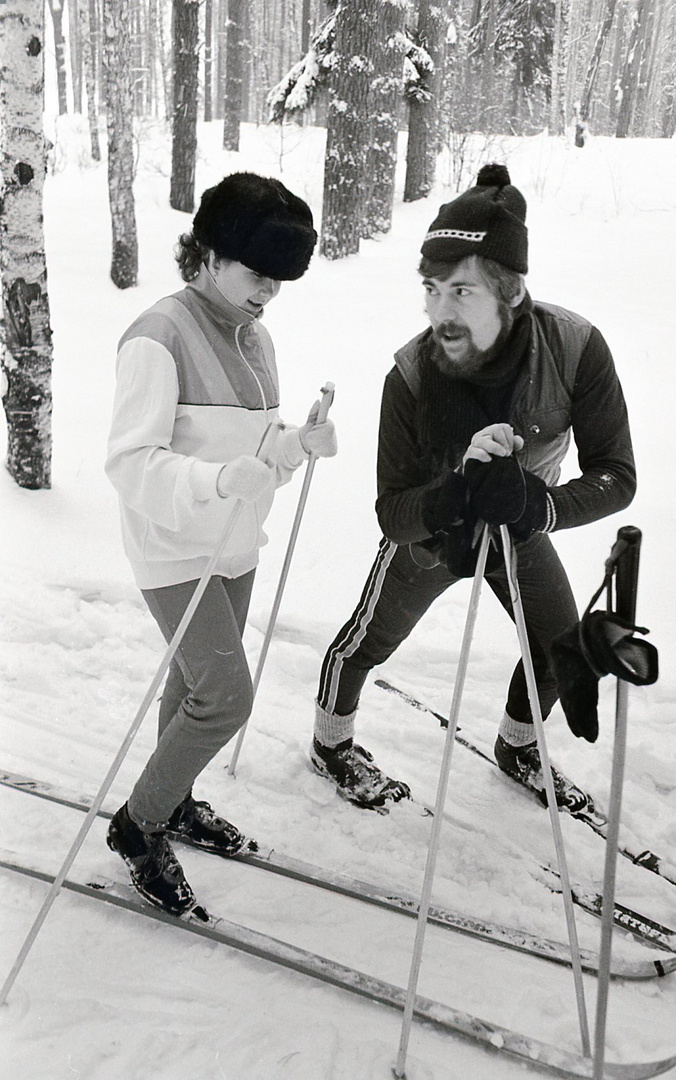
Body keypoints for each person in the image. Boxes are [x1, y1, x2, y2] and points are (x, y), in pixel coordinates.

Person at [311, 163, 635, 813]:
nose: (439, 310)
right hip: (435, 533)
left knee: (558, 647)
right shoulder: (409, 375)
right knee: (368, 641)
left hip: (520, 525)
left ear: (510, 292)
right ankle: (331, 744)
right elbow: (394, 515)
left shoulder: (576, 349)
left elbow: (616, 476)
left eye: (461, 292)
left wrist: (540, 505)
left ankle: (517, 748)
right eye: (432, 289)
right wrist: (456, 492)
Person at [105, 171, 337, 915]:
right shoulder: (158, 335)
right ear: (206, 253)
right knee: (225, 698)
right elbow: (130, 463)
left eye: (279, 281)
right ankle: (139, 827)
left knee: (193, 687)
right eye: (256, 274)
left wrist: (298, 444)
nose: (267, 292)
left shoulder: (255, 335)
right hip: (176, 549)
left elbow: (254, 447)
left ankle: (174, 800)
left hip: (236, 544)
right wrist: (213, 482)